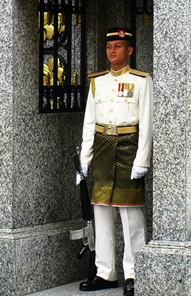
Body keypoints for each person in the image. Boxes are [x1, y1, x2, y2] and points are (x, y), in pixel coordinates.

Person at [78, 27, 152, 296]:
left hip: (128, 146)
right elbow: (89, 123)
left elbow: (147, 123)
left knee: (131, 215)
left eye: (118, 46)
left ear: (129, 50)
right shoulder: (97, 82)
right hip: (103, 148)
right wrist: (85, 159)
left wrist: (142, 159)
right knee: (101, 212)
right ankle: (105, 272)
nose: (112, 51)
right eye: (109, 46)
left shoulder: (141, 81)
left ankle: (134, 274)